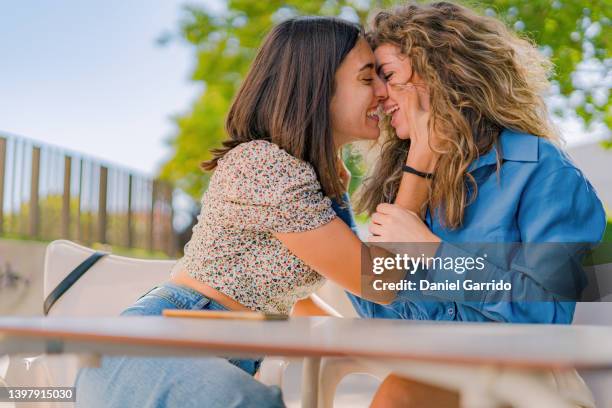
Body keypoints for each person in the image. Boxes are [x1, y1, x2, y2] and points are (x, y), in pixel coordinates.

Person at [75, 15, 429, 408]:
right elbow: (377, 281)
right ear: (317, 86)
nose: (383, 92)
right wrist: (422, 161)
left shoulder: (307, 179)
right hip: (153, 351)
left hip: (199, 356)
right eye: (367, 79)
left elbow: (291, 298)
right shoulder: (264, 165)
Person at [335, 2, 605, 407]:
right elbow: (383, 316)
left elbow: (543, 317)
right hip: (433, 373)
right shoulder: (406, 181)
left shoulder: (542, 171)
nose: (379, 96)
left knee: (400, 394)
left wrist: (430, 250)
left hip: (525, 385)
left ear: (443, 71)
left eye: (388, 76)